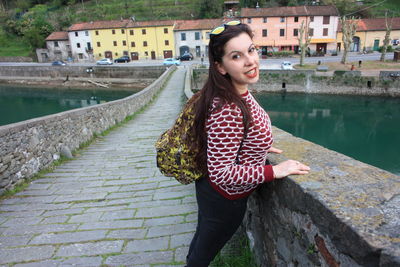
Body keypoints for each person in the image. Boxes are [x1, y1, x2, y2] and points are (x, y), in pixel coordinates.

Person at [185, 21, 310, 267]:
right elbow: (221, 172)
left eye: (251, 50)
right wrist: (274, 170)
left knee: (201, 242)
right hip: (223, 200)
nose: (251, 61)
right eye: (236, 56)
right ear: (220, 66)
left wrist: (258, 145)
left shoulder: (235, 90)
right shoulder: (227, 108)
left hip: (213, 194)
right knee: (202, 254)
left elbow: (235, 136)